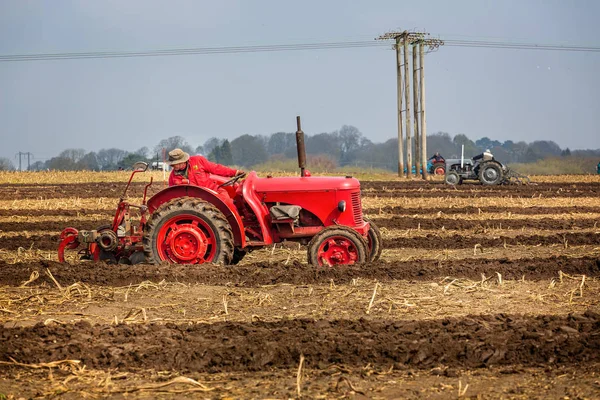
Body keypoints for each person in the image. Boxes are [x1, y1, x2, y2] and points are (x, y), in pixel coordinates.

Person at [167, 148, 244, 196]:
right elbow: (173, 194)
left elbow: (216, 168)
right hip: (193, 201)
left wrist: (235, 172)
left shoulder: (198, 161)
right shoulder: (172, 177)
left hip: (211, 191)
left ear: (182, 161)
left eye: (174, 165)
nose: (173, 167)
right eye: (172, 165)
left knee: (225, 198)